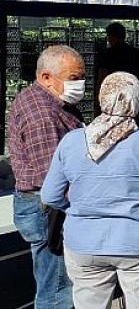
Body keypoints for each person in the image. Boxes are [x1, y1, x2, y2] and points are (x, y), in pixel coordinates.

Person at [41, 72, 139, 309]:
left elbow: (49, 196)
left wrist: (78, 208)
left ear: (102, 98)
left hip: (83, 242)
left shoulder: (71, 141)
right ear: (137, 101)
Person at [8, 45, 84, 309]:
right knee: (57, 287)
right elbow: (52, 177)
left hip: (43, 204)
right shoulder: (42, 114)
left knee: (55, 279)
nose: (80, 84)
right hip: (48, 208)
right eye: (74, 78)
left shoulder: (51, 101)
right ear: (46, 77)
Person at [96, 22, 139, 127]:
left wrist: (99, 99)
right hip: (134, 101)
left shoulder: (107, 54)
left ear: (110, 36)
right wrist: (135, 89)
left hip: (112, 101)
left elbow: (101, 78)